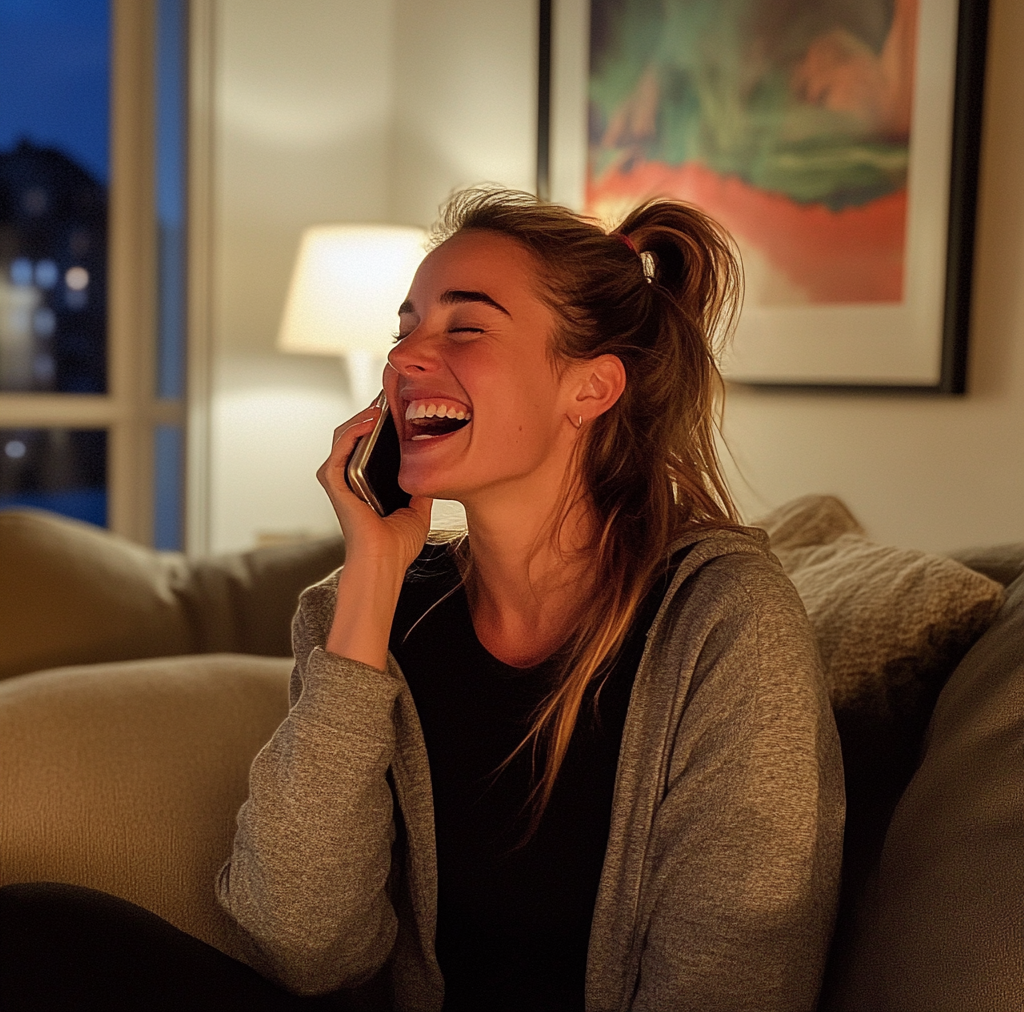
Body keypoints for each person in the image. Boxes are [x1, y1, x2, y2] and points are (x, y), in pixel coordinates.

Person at [0, 188, 843, 1012]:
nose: (404, 359)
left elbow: (731, 978)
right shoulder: (361, 610)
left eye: (464, 326)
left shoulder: (724, 621)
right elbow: (303, 947)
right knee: (40, 930)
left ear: (591, 389)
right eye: (405, 329)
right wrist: (373, 573)